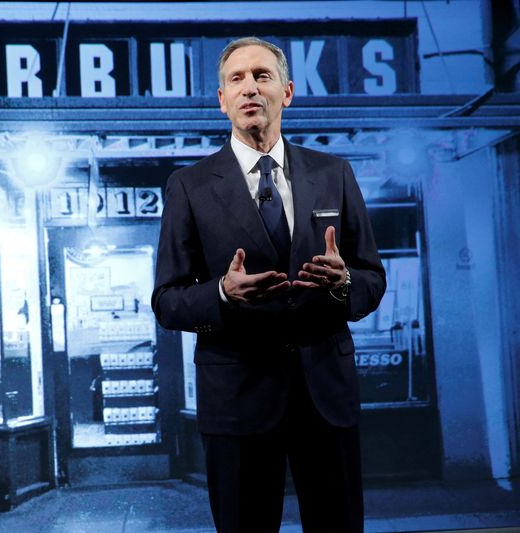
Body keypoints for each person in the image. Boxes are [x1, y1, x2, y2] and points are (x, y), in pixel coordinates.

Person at [151, 37, 386, 533]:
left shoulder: (334, 174)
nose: (249, 88)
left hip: (325, 397)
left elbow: (371, 279)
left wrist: (344, 284)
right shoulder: (189, 186)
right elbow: (167, 301)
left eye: (262, 76)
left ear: (288, 92)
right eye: (236, 79)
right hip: (237, 401)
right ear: (221, 99)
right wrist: (220, 293)